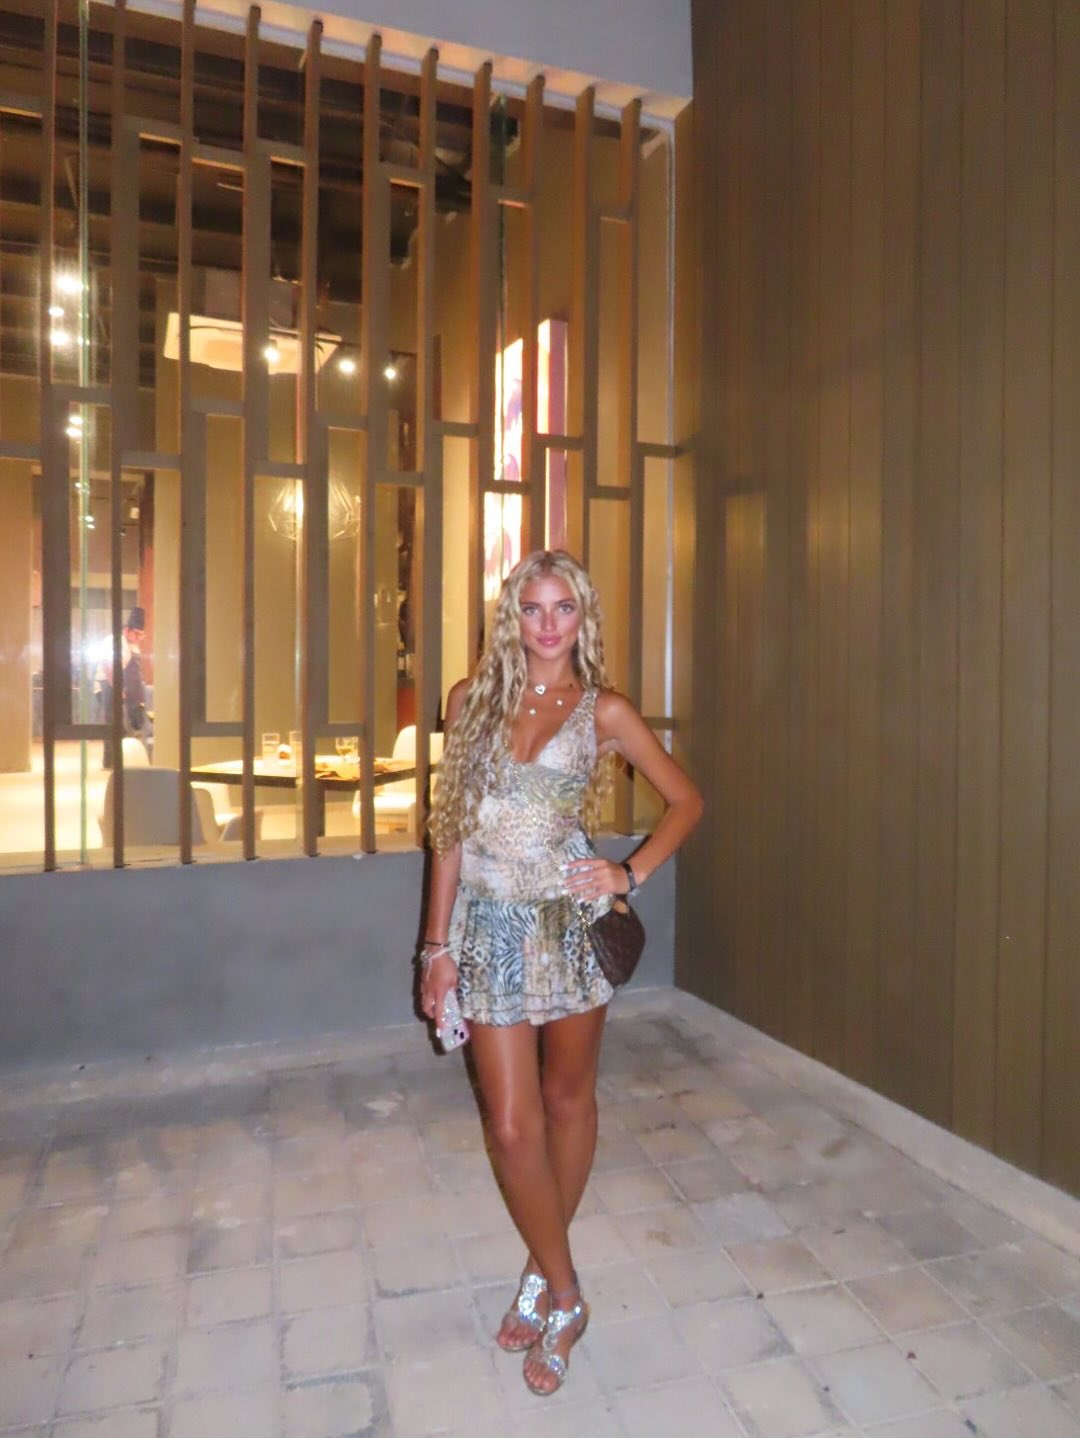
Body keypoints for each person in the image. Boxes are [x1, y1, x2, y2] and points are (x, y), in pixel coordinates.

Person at [420, 549, 703, 1396]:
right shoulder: (468, 701)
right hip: (488, 929)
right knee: (512, 1127)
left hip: (568, 927)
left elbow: (686, 800)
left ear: (584, 618)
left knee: (567, 1100)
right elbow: (449, 831)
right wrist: (435, 948)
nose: (548, 625)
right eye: (533, 608)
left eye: (564, 608)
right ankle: (567, 1290)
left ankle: (538, 1275)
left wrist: (629, 872)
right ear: (511, 616)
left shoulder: (603, 710)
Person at [94, 606, 152, 768]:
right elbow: (108, 666)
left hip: (126, 690)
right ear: (127, 630)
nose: (139, 638)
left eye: (141, 634)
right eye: (137, 634)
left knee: (127, 727)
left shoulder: (132, 644)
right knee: (114, 724)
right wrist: (118, 688)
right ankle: (111, 761)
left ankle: (124, 761)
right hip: (108, 685)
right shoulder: (114, 641)